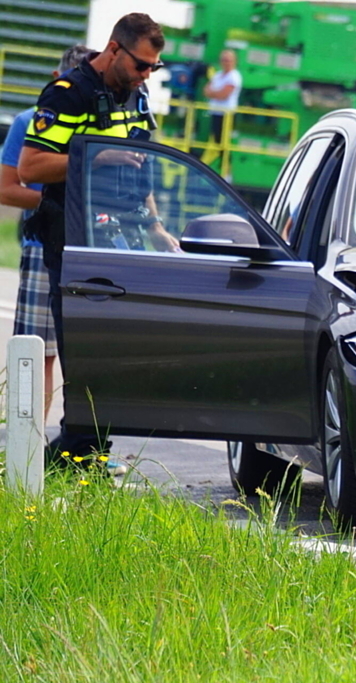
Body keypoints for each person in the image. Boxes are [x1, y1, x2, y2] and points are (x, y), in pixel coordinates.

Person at [18, 13, 179, 468]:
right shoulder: (68, 95)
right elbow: (31, 168)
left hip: (122, 233)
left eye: (154, 67)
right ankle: (76, 454)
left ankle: (85, 452)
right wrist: (93, 156)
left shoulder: (136, 94)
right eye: (142, 65)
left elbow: (141, 162)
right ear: (114, 50)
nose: (147, 75)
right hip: (75, 239)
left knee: (117, 349)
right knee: (84, 351)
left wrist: (154, 225)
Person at [202, 49, 242, 148]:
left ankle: (227, 162)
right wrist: (215, 93)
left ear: (234, 61)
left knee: (223, 142)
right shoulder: (218, 75)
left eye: (228, 60)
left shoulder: (234, 76)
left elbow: (223, 95)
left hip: (226, 114)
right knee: (216, 140)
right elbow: (206, 90)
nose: (225, 63)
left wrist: (213, 93)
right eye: (223, 60)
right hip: (215, 112)